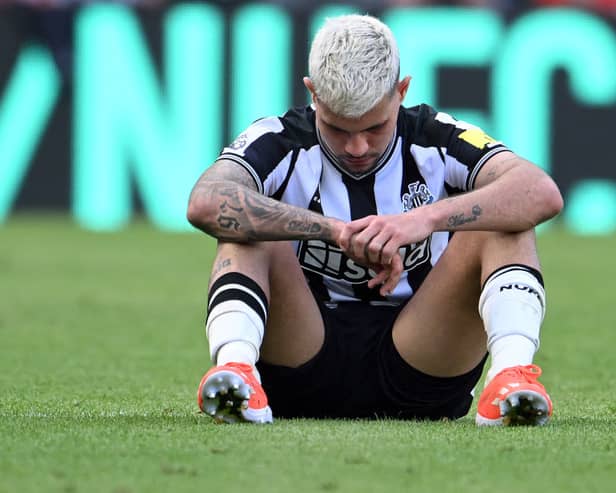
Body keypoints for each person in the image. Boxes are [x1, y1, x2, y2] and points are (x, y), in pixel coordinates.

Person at [186, 14, 563, 426]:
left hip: (422, 364)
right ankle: (237, 371)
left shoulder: (437, 136)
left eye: (375, 127)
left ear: (402, 91)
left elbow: (540, 192)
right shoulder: (277, 139)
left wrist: (424, 220)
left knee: (502, 220)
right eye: (336, 128)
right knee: (245, 224)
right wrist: (332, 230)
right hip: (299, 362)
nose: (357, 146)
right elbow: (206, 203)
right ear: (312, 93)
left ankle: (511, 377)